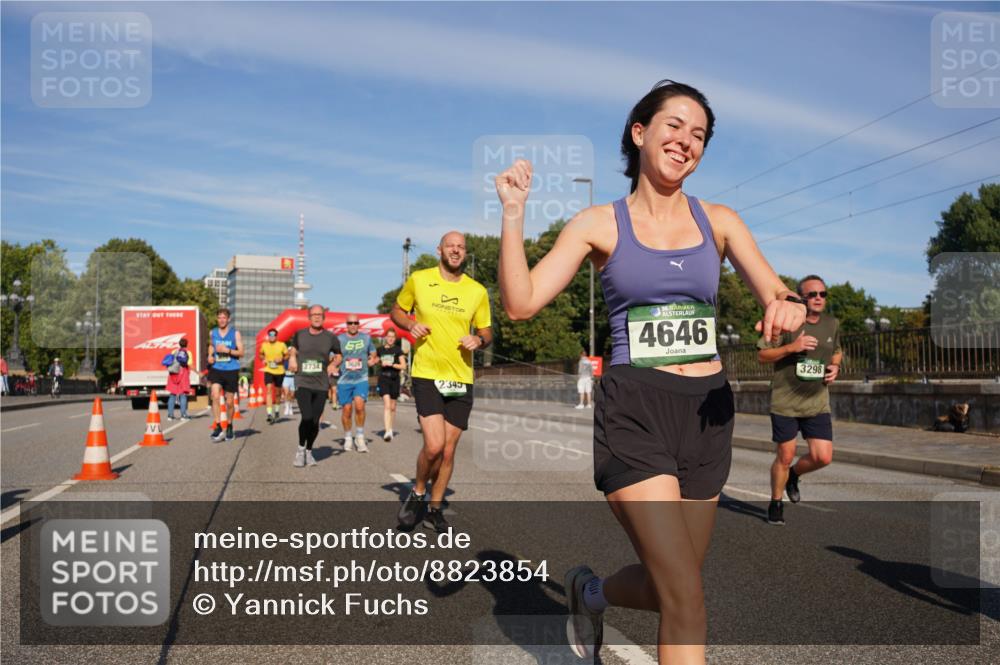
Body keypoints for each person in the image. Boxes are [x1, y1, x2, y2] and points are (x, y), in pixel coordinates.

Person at [495, 81, 807, 664]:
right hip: (636, 408)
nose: (686, 141)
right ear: (640, 133)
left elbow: (773, 288)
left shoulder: (719, 221)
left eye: (699, 136)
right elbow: (521, 303)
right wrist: (514, 216)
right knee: (687, 596)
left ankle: (591, 593)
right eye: (674, 126)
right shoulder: (599, 224)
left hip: (708, 412)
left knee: (673, 586)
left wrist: (783, 302)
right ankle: (593, 596)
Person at [392, 231, 493, 533]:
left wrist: (478, 339)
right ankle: (418, 492)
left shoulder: (477, 291)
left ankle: (435, 510)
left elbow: (487, 330)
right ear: (440, 250)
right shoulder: (420, 279)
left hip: (460, 377)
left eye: (461, 247)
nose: (456, 250)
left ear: (465, 253)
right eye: (451, 246)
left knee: (448, 451)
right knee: (434, 446)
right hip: (427, 373)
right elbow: (397, 310)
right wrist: (410, 323)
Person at [757, 275, 842, 525]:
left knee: (823, 456)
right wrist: (791, 347)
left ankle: (793, 475)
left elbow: (837, 351)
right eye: (812, 294)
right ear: (801, 298)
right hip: (786, 402)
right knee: (785, 455)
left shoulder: (831, 324)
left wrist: (836, 367)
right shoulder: (786, 321)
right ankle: (775, 502)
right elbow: (763, 355)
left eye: (822, 294)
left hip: (817, 401)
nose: (818, 298)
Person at [287, 304, 342, 467]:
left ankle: (309, 451)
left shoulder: (330, 337)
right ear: (309, 317)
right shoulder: (300, 335)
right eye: (314, 314)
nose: (317, 317)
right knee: (307, 417)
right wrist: (292, 358)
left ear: (324, 317)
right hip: (303, 381)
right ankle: (300, 450)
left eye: (320, 314)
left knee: (315, 421)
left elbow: (339, 355)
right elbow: (293, 349)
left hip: (321, 383)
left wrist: (334, 364)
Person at [336, 315, 378, 452]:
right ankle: (348, 437)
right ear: (346, 324)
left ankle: (360, 437)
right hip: (344, 380)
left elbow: (373, 352)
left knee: (360, 406)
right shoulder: (340, 339)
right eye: (350, 323)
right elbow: (334, 356)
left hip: (361, 378)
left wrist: (373, 359)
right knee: (347, 410)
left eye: (355, 323)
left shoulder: (366, 338)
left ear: (358, 324)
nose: (353, 325)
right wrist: (333, 364)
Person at [207, 308, 244, 442]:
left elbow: (241, 352)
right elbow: (211, 346)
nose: (221, 320)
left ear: (228, 319)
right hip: (217, 368)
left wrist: (227, 350)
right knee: (215, 395)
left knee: (229, 402)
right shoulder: (213, 332)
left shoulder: (235, 333)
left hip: (231, 369)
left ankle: (229, 425)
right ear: (217, 319)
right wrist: (210, 355)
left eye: (224, 318)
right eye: (219, 317)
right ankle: (217, 425)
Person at [377, 327, 407, 441]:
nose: (390, 339)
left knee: (393, 407)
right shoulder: (380, 350)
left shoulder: (398, 350)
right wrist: (380, 362)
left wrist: (392, 364)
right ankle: (387, 431)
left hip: (394, 379)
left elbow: (403, 366)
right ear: (385, 337)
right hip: (383, 379)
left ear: (395, 338)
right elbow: (374, 360)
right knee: (387, 405)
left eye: (392, 337)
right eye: (388, 337)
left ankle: (390, 428)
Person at [258, 328, 289, 424]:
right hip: (269, 370)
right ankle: (269, 414)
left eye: (273, 335)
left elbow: (287, 355)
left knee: (278, 393)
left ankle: (276, 410)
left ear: (276, 336)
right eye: (270, 335)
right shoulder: (264, 345)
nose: (272, 337)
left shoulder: (281, 345)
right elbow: (260, 355)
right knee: (269, 389)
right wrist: (263, 359)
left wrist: (282, 359)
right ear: (268, 336)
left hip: (279, 371)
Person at [165, 338, 192, 420]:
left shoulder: (174, 352)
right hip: (183, 374)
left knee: (172, 395)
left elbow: (170, 362)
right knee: (183, 395)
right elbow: (189, 364)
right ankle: (183, 415)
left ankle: (170, 415)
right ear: (186, 344)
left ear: (179, 344)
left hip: (173, 374)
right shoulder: (188, 353)